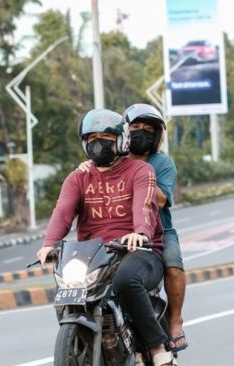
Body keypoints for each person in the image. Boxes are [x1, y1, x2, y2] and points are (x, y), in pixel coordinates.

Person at [36, 108, 177, 365]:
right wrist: (48, 244)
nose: (98, 143)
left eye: (106, 137)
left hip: (139, 252)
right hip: (95, 255)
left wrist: (140, 233)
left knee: (126, 281)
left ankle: (157, 348)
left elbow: (144, 206)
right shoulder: (77, 177)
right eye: (92, 138)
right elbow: (63, 212)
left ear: (121, 141)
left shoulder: (140, 171)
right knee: (67, 288)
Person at [80, 103, 188, 352]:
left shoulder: (162, 163)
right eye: (136, 127)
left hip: (157, 231)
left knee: (172, 264)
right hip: (116, 232)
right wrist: (89, 168)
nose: (141, 133)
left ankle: (174, 320)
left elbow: (160, 199)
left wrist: (140, 178)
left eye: (148, 129)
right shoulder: (113, 156)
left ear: (157, 135)